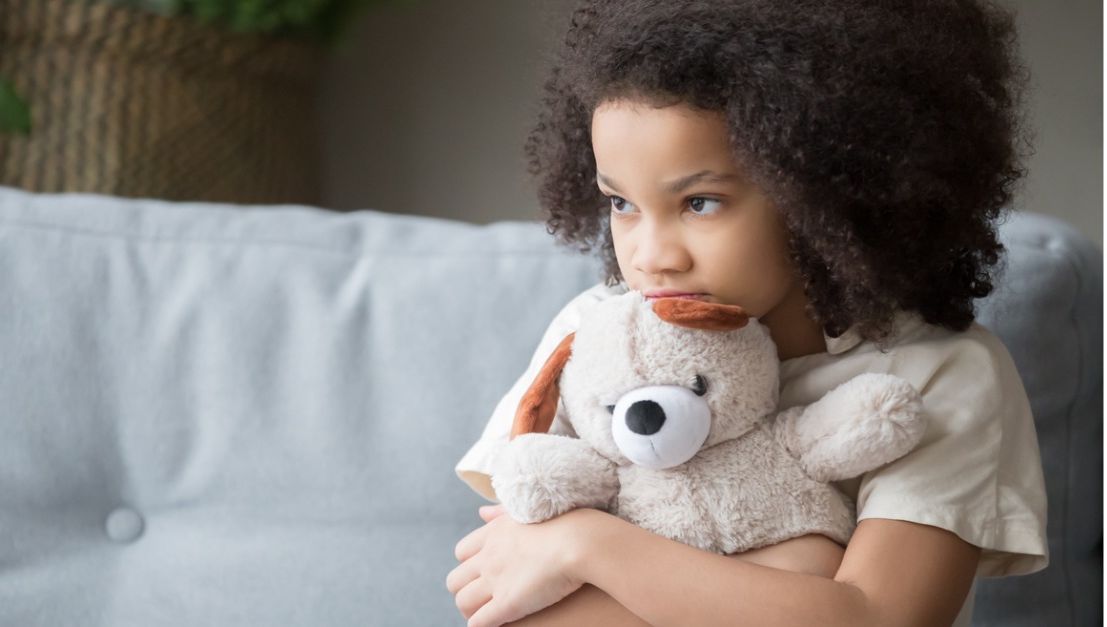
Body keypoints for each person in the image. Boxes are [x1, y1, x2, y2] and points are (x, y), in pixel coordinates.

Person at [447, 0, 1048, 625]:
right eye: (621, 203)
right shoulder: (595, 333)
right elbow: (509, 599)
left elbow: (875, 618)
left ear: (825, 191)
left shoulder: (940, 374)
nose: (651, 258)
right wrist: (797, 585)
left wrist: (588, 546)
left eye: (700, 202)